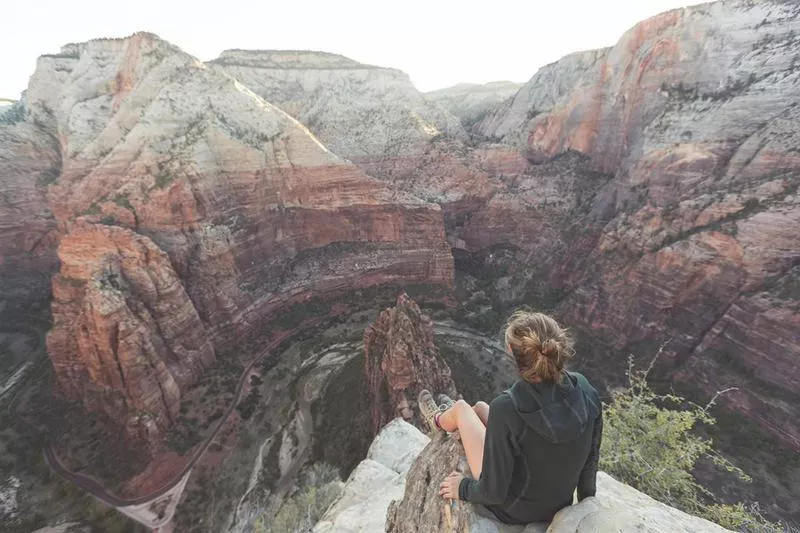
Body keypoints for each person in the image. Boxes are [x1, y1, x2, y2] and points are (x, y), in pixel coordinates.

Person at [418, 310, 602, 524]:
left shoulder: (506, 408)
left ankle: (438, 420)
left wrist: (463, 487)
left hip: (515, 509)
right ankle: (456, 419)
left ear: (511, 352)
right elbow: (591, 462)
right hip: (557, 503)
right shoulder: (587, 390)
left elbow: (493, 493)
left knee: (461, 408)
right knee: (479, 408)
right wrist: (585, 508)